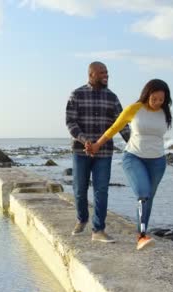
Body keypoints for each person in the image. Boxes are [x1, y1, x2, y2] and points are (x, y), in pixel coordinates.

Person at [88, 79, 172, 250]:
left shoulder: (165, 112)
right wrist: (97, 144)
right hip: (134, 157)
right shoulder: (135, 109)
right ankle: (141, 236)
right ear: (147, 94)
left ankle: (142, 233)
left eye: (161, 100)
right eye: (154, 99)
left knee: (148, 199)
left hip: (158, 161)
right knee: (143, 193)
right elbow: (114, 128)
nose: (157, 103)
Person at [66, 61, 130, 243]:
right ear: (91, 74)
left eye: (107, 73)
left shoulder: (112, 98)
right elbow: (71, 122)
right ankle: (82, 218)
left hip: (104, 153)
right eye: (102, 73)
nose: (106, 76)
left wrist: (133, 144)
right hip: (81, 151)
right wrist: (85, 140)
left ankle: (98, 229)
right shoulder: (77, 95)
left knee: (101, 190)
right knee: (79, 189)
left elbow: (122, 124)